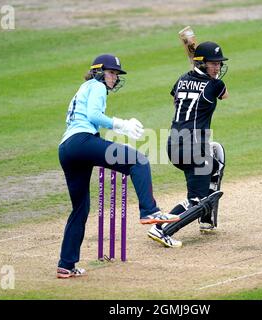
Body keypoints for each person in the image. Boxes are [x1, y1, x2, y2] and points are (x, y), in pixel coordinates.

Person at [57, 54, 180, 278]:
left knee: (80, 208)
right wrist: (121, 124)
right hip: (82, 142)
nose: (114, 77)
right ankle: (150, 211)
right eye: (112, 73)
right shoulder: (97, 86)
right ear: (99, 72)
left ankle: (66, 264)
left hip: (67, 149)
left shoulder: (85, 87)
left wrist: (116, 127)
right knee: (139, 160)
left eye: (116, 74)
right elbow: (93, 115)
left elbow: (88, 117)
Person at [147, 41, 229, 248]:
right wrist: (208, 80)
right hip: (194, 147)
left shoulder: (182, 79)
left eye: (219, 64)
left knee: (216, 155)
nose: (217, 68)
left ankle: (206, 219)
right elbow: (224, 96)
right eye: (213, 64)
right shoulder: (216, 85)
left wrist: (198, 75)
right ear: (201, 63)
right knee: (196, 200)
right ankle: (161, 227)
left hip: (174, 143)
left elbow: (176, 99)